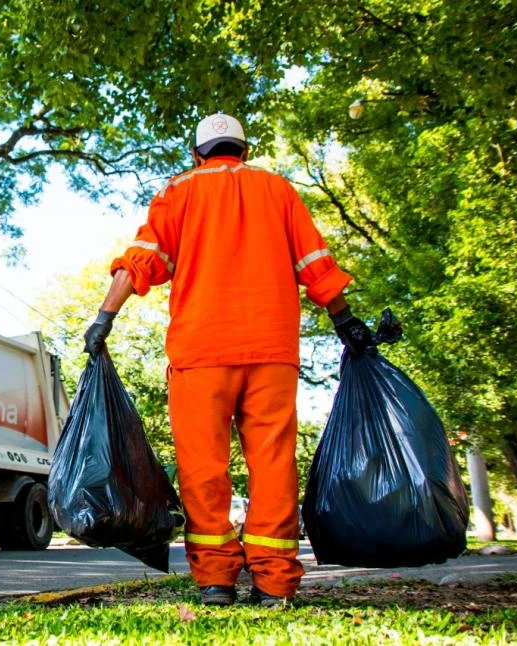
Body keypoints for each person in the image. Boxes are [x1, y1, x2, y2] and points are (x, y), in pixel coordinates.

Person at [83, 113, 374, 608]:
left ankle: (216, 580)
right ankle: (274, 582)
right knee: (274, 464)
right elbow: (315, 264)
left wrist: (103, 319)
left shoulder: (179, 192)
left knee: (203, 469)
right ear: (243, 149)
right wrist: (346, 323)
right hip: (272, 348)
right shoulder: (278, 190)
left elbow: (141, 261)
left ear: (197, 154)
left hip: (202, 352)